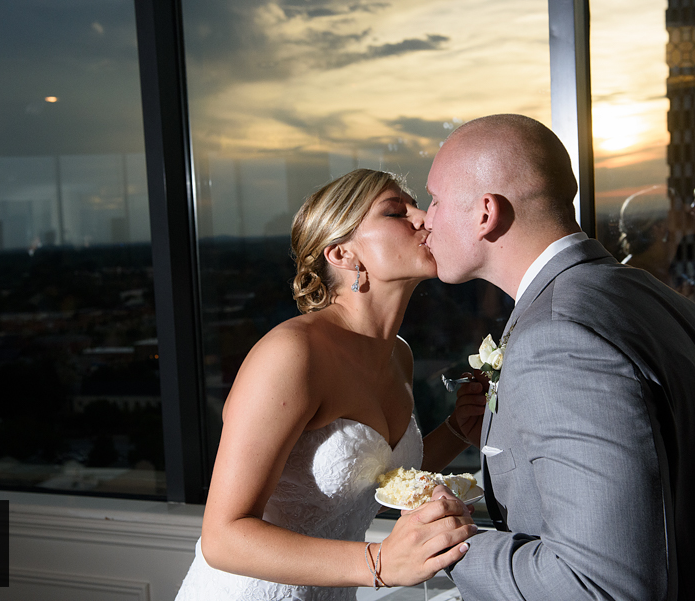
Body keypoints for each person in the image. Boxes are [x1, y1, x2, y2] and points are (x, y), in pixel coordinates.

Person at [422, 115, 695, 600]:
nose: (424, 217)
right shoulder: (664, 302)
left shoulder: (557, 336)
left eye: (436, 200)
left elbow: (597, 585)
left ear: (485, 214)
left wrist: (451, 543)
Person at [174, 168, 480, 600]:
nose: (425, 217)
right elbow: (223, 537)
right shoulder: (292, 355)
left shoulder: (399, 354)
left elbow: (375, 475)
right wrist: (379, 564)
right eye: (397, 212)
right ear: (342, 254)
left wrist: (456, 432)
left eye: (417, 205)